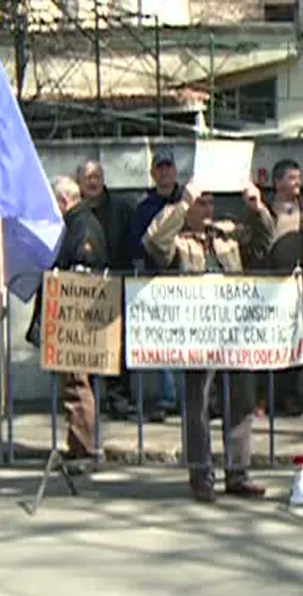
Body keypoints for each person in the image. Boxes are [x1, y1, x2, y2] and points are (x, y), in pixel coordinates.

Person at [144, 180, 275, 502]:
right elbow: (153, 242)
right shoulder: (177, 239)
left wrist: (257, 207)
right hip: (197, 334)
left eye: (211, 203)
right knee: (198, 403)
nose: (208, 209)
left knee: (241, 399)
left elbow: (263, 241)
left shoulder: (225, 236)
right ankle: (200, 473)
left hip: (234, 330)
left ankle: (238, 471)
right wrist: (182, 206)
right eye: (201, 203)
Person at [27, 176, 109, 463]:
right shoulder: (77, 222)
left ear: (64, 200)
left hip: (77, 319)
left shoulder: (81, 225)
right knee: (74, 384)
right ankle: (79, 445)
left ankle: (85, 449)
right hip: (74, 319)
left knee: (77, 383)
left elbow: (82, 269)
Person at [252, 159, 303, 416]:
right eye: (291, 178)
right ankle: (263, 397)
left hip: (297, 286)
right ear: (278, 181)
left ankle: (289, 395)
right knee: (266, 342)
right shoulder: (264, 210)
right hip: (269, 285)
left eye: (299, 178)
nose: (297, 183)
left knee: (295, 342)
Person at [77, 160, 135, 420]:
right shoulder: (74, 211)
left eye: (97, 176)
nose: (93, 181)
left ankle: (119, 401)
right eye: (88, 176)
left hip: (115, 283)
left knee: (117, 346)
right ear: (79, 182)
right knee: (87, 345)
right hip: (83, 289)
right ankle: (88, 402)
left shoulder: (121, 208)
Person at [129, 147, 182, 422]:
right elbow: (136, 245)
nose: (164, 172)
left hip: (186, 279)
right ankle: (168, 397)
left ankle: (196, 398)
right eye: (159, 167)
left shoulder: (188, 201)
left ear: (175, 170)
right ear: (153, 172)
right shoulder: (144, 208)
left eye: (168, 166)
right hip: (155, 280)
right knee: (162, 341)